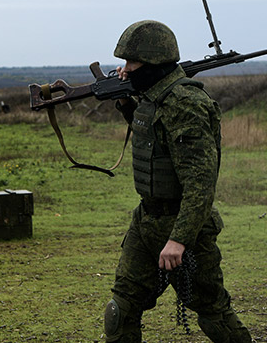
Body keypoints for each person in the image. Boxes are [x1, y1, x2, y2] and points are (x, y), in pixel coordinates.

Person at [104, 20, 252, 343]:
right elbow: (155, 138)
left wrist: (180, 240)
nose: (125, 70)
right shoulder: (153, 96)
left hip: (184, 228)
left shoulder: (185, 103)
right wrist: (126, 102)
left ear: (153, 61)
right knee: (120, 311)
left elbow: (201, 183)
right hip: (146, 222)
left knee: (216, 317)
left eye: (132, 63)